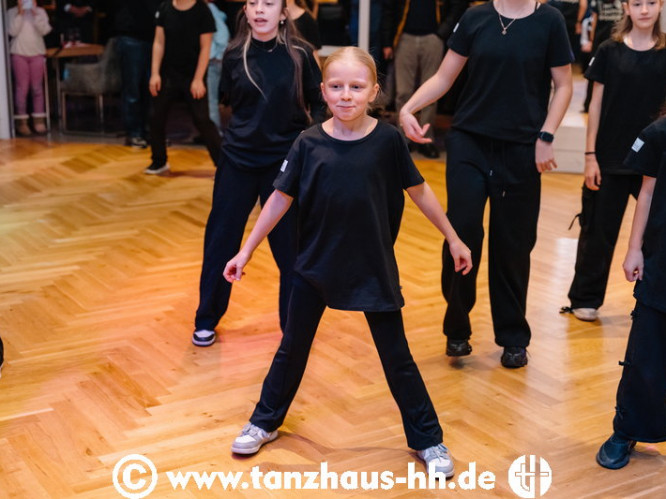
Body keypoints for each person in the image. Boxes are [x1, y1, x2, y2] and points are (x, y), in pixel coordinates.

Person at [224, 46, 472, 476]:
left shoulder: (388, 141)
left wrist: (453, 238)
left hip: (372, 266)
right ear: (322, 91)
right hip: (314, 266)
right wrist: (246, 250)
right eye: (336, 86)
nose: (345, 95)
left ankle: (428, 440)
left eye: (356, 87)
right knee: (291, 349)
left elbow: (419, 191)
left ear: (373, 91)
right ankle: (264, 422)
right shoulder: (307, 142)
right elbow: (279, 198)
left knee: (397, 358)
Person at [400, 0, 573, 367]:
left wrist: (546, 135)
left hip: (522, 147)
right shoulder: (476, 17)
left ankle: (513, 337)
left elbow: (563, 85)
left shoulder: (550, 21)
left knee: (513, 243)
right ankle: (457, 328)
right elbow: (444, 77)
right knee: (461, 231)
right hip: (470, 142)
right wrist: (408, 108)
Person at [192, 0, 326, 347]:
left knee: (290, 249)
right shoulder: (234, 54)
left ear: (283, 12)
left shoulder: (300, 53)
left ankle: (293, 328)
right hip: (237, 160)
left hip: (283, 164)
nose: (260, 9)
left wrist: (306, 145)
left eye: (269, 3)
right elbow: (229, 101)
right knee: (220, 240)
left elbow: (319, 103)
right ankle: (206, 318)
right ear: (246, 10)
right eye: (253, 2)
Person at [563, 0, 666, 322]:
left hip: (654, 159)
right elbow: (595, 105)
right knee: (598, 232)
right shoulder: (609, 49)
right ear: (626, 8)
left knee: (658, 231)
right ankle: (585, 298)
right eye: (637, 3)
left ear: (661, 6)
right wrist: (590, 156)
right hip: (609, 157)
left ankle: (653, 300)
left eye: (651, 2)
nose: (645, 10)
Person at [596, 113, 666, 470]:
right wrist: (634, 248)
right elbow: (647, 192)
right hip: (661, 262)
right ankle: (626, 430)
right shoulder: (659, 133)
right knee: (646, 354)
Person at [381, 0, 469, 159]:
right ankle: (404, 138)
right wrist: (387, 41)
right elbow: (389, 9)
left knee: (431, 94)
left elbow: (458, 5)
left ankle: (426, 139)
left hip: (433, 37)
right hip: (403, 37)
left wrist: (442, 32)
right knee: (403, 92)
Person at [145, 0, 222, 174]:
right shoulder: (165, 8)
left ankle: (223, 165)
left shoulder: (203, 11)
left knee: (202, 119)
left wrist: (198, 79)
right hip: (167, 74)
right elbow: (158, 42)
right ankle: (159, 161)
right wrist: (155, 73)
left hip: (193, 75)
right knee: (155, 116)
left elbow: (205, 48)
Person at [111, 0, 160, 149]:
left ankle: (149, 131)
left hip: (154, 38)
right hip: (131, 37)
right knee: (132, 90)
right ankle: (134, 133)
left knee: (151, 89)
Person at [7, 0, 52, 137]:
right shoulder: (11, 12)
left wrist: (35, 14)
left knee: (37, 88)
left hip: (37, 52)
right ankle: (21, 122)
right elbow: (12, 31)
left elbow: (45, 30)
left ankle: (39, 121)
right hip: (19, 53)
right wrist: (20, 14)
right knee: (22, 88)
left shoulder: (41, 12)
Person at [582, 0, 624, 112]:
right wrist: (592, 39)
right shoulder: (597, 2)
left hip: (616, 41)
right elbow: (594, 20)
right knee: (594, 73)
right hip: (601, 42)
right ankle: (588, 104)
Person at [205, 0, 230, 134]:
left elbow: (222, 36)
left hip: (212, 61)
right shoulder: (210, 9)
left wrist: (216, 56)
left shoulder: (209, 9)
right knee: (208, 100)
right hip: (211, 60)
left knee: (211, 100)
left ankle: (214, 133)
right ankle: (210, 132)